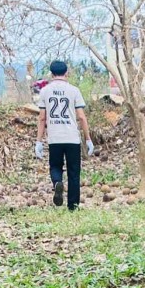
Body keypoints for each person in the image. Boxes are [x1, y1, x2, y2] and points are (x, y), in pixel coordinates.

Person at [35, 60, 94, 211]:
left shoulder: (45, 91)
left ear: (51, 74)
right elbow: (81, 117)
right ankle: (73, 206)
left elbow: (42, 118)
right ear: (66, 72)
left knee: (55, 166)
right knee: (74, 172)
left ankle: (57, 183)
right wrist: (88, 139)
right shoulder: (74, 91)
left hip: (55, 138)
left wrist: (39, 141)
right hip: (72, 138)